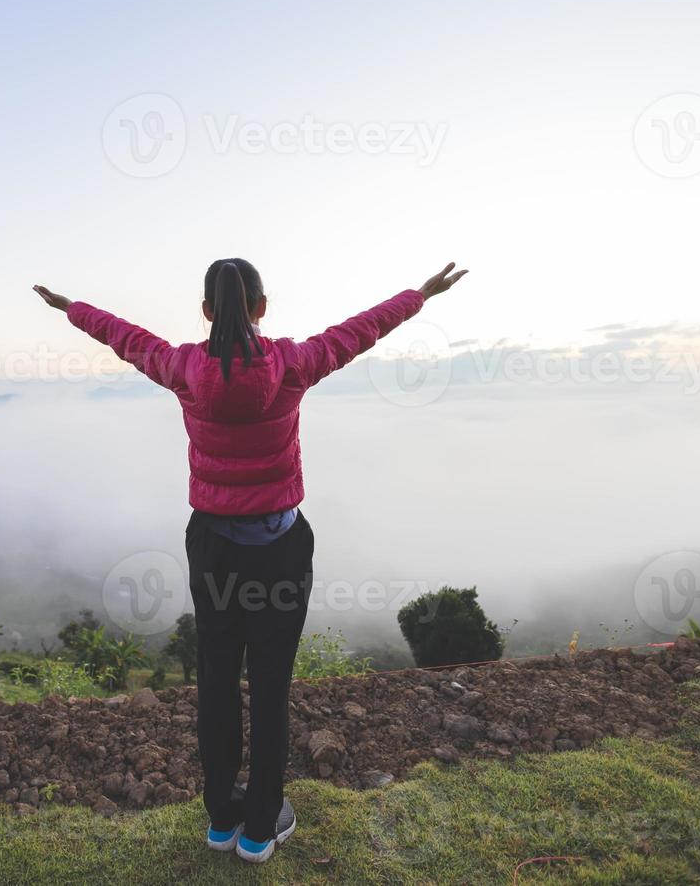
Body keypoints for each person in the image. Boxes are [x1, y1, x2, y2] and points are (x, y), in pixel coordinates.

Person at [33, 259, 467, 863]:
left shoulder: (184, 366)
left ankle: (220, 819)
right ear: (261, 306)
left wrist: (71, 307)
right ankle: (260, 828)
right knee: (270, 686)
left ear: (207, 311)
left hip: (212, 548)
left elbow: (125, 338)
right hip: (280, 552)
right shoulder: (291, 363)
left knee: (215, 679)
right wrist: (419, 295)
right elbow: (361, 330)